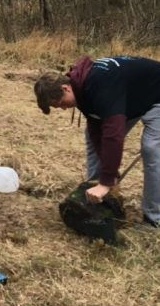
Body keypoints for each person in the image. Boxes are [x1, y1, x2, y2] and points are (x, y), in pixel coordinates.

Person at [34, 56, 160, 228]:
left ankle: (153, 217)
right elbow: (95, 125)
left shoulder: (101, 85)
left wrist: (107, 181)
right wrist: (110, 173)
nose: (63, 108)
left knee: (151, 148)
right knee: (92, 135)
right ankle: (96, 194)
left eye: (60, 103)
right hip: (132, 96)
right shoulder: (79, 86)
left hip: (156, 94)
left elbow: (113, 135)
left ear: (65, 88)